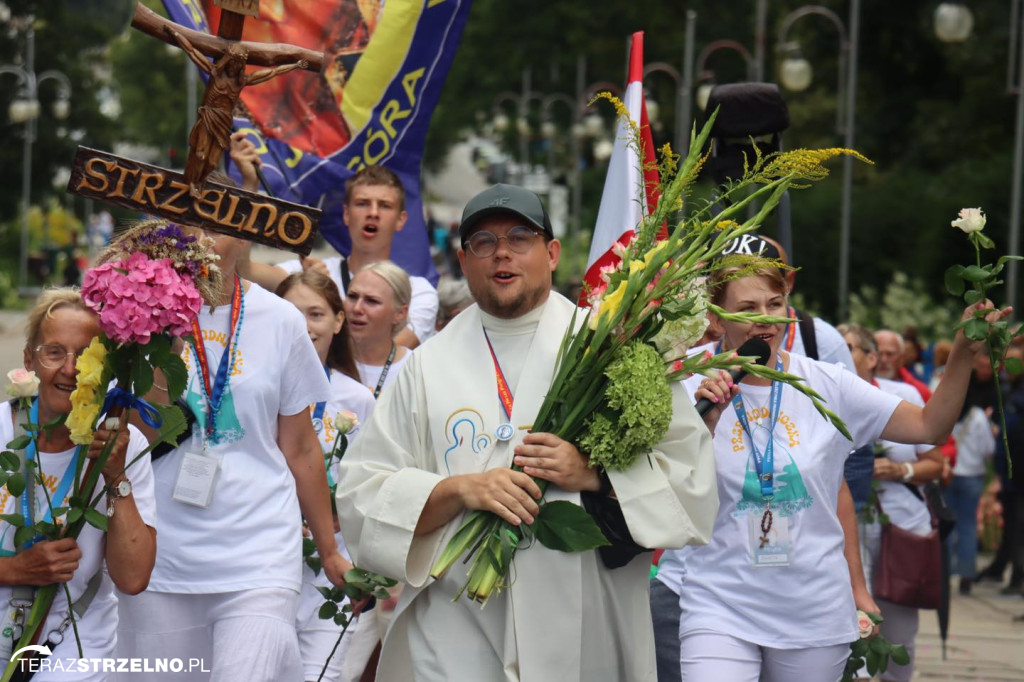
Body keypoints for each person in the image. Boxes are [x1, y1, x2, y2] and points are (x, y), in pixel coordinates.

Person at [336, 184, 719, 682]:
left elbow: (691, 478)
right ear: (463, 259)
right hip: (455, 624)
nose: (501, 252)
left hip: (580, 622)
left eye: (520, 237)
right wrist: (456, 490)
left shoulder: (610, 348)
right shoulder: (425, 368)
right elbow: (362, 494)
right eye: (482, 241)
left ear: (552, 253)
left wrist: (595, 475)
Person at [677, 262, 1007, 681]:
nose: (765, 319)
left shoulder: (828, 384)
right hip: (719, 601)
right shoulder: (687, 381)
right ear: (716, 315)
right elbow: (665, 482)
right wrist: (702, 424)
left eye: (775, 304)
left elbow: (929, 427)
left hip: (813, 606)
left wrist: (961, 354)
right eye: (747, 308)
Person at [117, 213, 347, 681]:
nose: (201, 240)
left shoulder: (281, 319)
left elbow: (301, 448)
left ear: (243, 235)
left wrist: (330, 552)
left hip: (258, 550)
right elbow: (139, 431)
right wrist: (167, 332)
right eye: (189, 227)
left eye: (216, 227)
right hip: (163, 553)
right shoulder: (144, 311)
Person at [1, 289, 156, 679]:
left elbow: (133, 578)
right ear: (28, 360)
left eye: (87, 355)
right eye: (53, 352)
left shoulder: (121, 445)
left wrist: (115, 474)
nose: (71, 369)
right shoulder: (4, 430)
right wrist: (16, 570)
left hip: (70, 638)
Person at [230, 136, 438, 348]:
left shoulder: (418, 292)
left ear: (401, 219)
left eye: (384, 206)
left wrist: (325, 295)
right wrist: (249, 186)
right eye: (362, 203)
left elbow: (383, 354)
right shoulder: (309, 272)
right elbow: (241, 270)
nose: (373, 213)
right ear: (346, 214)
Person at [276, 270, 376, 682]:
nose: (303, 326)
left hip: (330, 570)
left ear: (338, 321)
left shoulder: (358, 399)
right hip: (270, 562)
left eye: (315, 314)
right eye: (291, 313)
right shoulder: (258, 390)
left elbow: (371, 485)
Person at [840, 323, 943, 681]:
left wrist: (901, 469)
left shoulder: (902, 395)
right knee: (845, 635)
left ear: (870, 359)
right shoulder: (817, 396)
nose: (838, 352)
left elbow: (938, 464)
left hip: (898, 530)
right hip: (840, 533)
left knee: (899, 636)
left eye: (848, 346)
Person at [946, 356, 998, 596]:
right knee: (967, 525)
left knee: (947, 525)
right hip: (972, 476)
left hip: (948, 473)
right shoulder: (978, 416)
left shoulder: (949, 411)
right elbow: (989, 449)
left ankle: (944, 571)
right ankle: (966, 574)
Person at [344, 261, 414, 398]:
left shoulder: (414, 369)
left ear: (400, 314)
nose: (357, 308)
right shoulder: (324, 358)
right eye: (352, 297)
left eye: (371, 301)